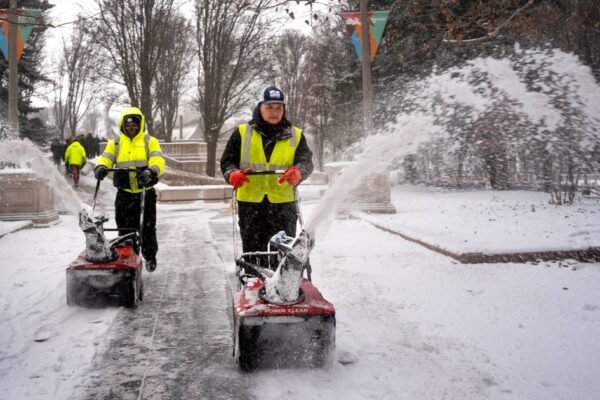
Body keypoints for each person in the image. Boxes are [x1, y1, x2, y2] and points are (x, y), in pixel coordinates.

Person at [220, 86, 314, 259]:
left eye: (279, 107)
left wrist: (299, 171)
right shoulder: (242, 133)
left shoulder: (296, 135)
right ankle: (253, 282)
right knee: (253, 251)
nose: (274, 112)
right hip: (251, 205)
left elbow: (306, 161)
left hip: (283, 205)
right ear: (259, 108)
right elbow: (227, 161)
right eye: (269, 107)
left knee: (283, 253)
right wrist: (232, 173)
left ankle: (282, 284)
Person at [94, 107, 165, 272]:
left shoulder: (150, 141)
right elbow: (106, 158)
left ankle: (149, 255)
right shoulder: (116, 143)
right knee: (124, 227)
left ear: (140, 125)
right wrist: (101, 167)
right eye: (128, 125)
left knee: (147, 227)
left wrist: (150, 171)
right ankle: (127, 257)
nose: (131, 128)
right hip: (124, 194)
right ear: (122, 126)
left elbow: (158, 161)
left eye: (134, 125)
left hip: (145, 192)